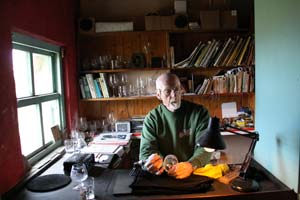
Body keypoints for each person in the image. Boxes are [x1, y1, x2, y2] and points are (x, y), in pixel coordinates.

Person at [139, 73, 212, 179]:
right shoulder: (152, 118)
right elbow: (146, 152)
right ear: (158, 95)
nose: (174, 95)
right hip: (162, 175)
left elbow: (206, 147)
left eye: (177, 89)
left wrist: (191, 165)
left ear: (181, 89)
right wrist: (151, 162)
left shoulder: (200, 113)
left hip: (193, 172)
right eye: (168, 91)